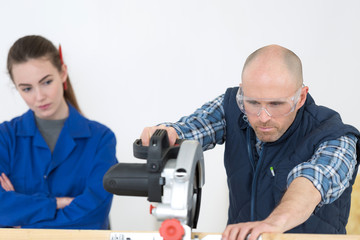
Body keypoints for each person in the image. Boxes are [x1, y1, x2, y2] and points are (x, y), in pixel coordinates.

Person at [141, 45, 360, 240]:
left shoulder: (336, 136)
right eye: (253, 102)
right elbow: (191, 129)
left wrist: (273, 225)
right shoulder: (234, 106)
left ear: (301, 97)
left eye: (276, 104)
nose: (263, 116)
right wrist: (165, 135)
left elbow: (311, 183)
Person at [0, 35, 118, 229]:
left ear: (62, 73)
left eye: (46, 82)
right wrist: (54, 204)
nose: (39, 97)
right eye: (27, 88)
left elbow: (93, 216)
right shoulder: (5, 137)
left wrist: (22, 227)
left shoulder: (101, 139)